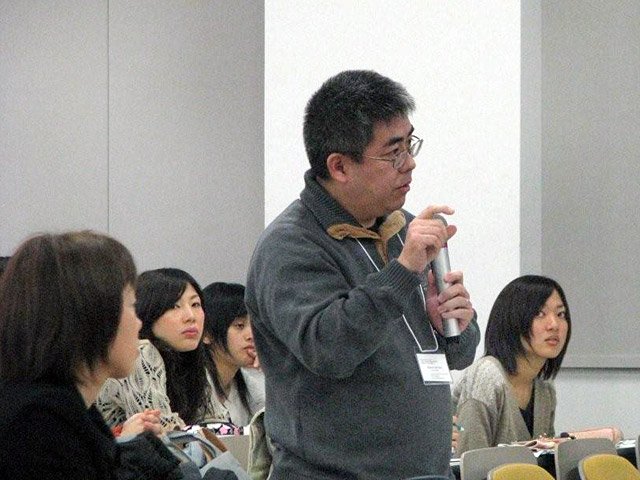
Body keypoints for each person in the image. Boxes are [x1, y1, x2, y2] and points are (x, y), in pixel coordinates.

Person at [245, 70, 480, 479]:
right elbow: (329, 348)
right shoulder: (290, 246)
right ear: (339, 166)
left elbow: (459, 356)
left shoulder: (403, 228)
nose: (410, 163)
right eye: (393, 153)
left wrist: (453, 326)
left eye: (410, 145)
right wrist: (404, 271)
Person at [0, 231, 140, 479]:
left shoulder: (68, 410)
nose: (139, 323)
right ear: (94, 314)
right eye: (131, 305)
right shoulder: (38, 425)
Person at [452, 275, 572, 455]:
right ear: (513, 320)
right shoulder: (487, 376)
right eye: (540, 313)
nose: (554, 325)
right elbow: (468, 462)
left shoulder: (545, 388)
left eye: (560, 314)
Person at [97, 268, 227, 430]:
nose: (190, 316)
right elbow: (161, 428)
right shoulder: (139, 353)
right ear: (148, 312)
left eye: (195, 304)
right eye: (174, 306)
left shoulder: (191, 357)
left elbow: (218, 423)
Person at [201, 282, 265, 427]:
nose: (251, 335)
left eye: (255, 325)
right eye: (239, 326)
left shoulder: (252, 385)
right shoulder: (191, 386)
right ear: (206, 334)